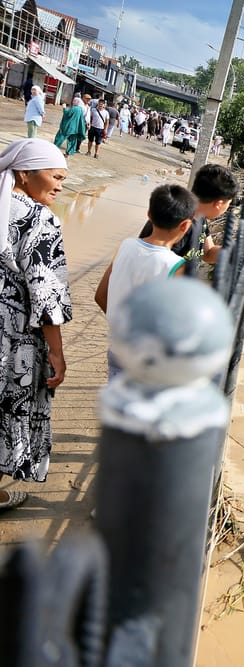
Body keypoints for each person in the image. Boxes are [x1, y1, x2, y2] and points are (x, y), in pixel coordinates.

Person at [0, 139, 71, 510]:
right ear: (25, 174)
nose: (60, 186)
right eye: (55, 177)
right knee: (9, 407)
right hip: (12, 337)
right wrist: (57, 352)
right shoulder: (39, 220)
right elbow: (46, 294)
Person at [96, 184, 196, 379]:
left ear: (149, 214)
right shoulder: (177, 266)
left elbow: (100, 295)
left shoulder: (125, 246)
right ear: (185, 225)